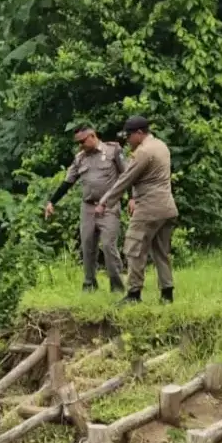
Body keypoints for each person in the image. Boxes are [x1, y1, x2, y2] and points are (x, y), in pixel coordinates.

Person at [97, 115, 178, 305]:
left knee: (133, 249)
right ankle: (167, 294)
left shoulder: (144, 152)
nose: (127, 141)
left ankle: (134, 294)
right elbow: (145, 177)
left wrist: (104, 202)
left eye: (129, 136)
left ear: (140, 133)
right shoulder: (161, 146)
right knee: (161, 252)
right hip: (167, 207)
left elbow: (126, 179)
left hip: (149, 208)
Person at [45, 125, 132, 292]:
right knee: (87, 246)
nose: (80, 145)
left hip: (108, 206)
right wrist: (52, 201)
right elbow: (68, 182)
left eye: (82, 141)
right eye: (77, 143)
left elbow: (127, 176)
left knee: (108, 245)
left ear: (92, 136)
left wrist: (132, 198)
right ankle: (89, 284)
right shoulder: (80, 158)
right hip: (88, 207)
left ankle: (117, 286)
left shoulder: (112, 151)